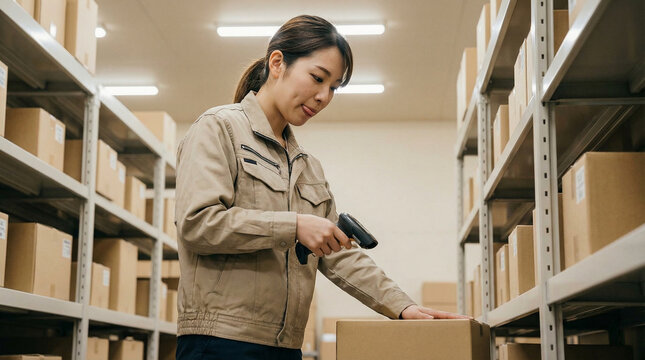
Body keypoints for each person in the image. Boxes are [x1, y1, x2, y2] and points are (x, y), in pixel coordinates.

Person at [174, 14, 468, 360]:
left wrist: (403, 307)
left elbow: (338, 253)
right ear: (277, 62)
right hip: (221, 342)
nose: (324, 96)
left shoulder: (307, 165)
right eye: (317, 78)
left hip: (285, 346)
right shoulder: (219, 129)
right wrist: (294, 226)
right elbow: (197, 224)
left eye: (334, 88)